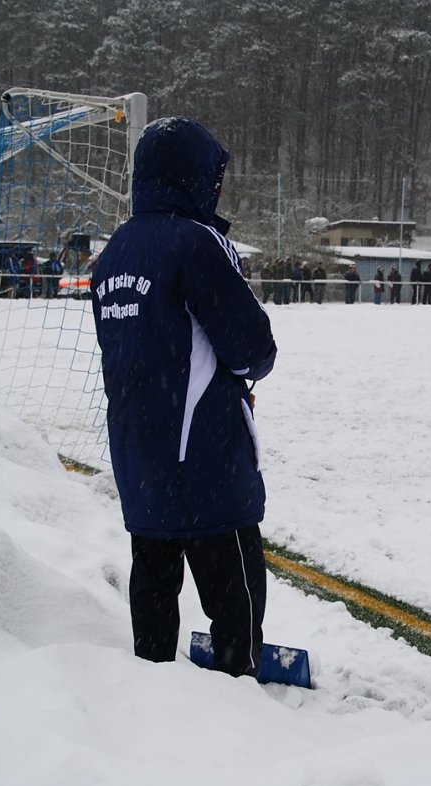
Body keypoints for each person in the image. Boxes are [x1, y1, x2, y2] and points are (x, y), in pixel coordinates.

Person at [90, 116, 277, 678]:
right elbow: (251, 349)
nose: (217, 189)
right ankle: (238, 699)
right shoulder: (195, 243)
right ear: (189, 178)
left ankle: (151, 693)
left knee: (153, 584)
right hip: (204, 463)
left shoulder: (115, 251)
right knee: (234, 594)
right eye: (213, 178)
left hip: (138, 455)